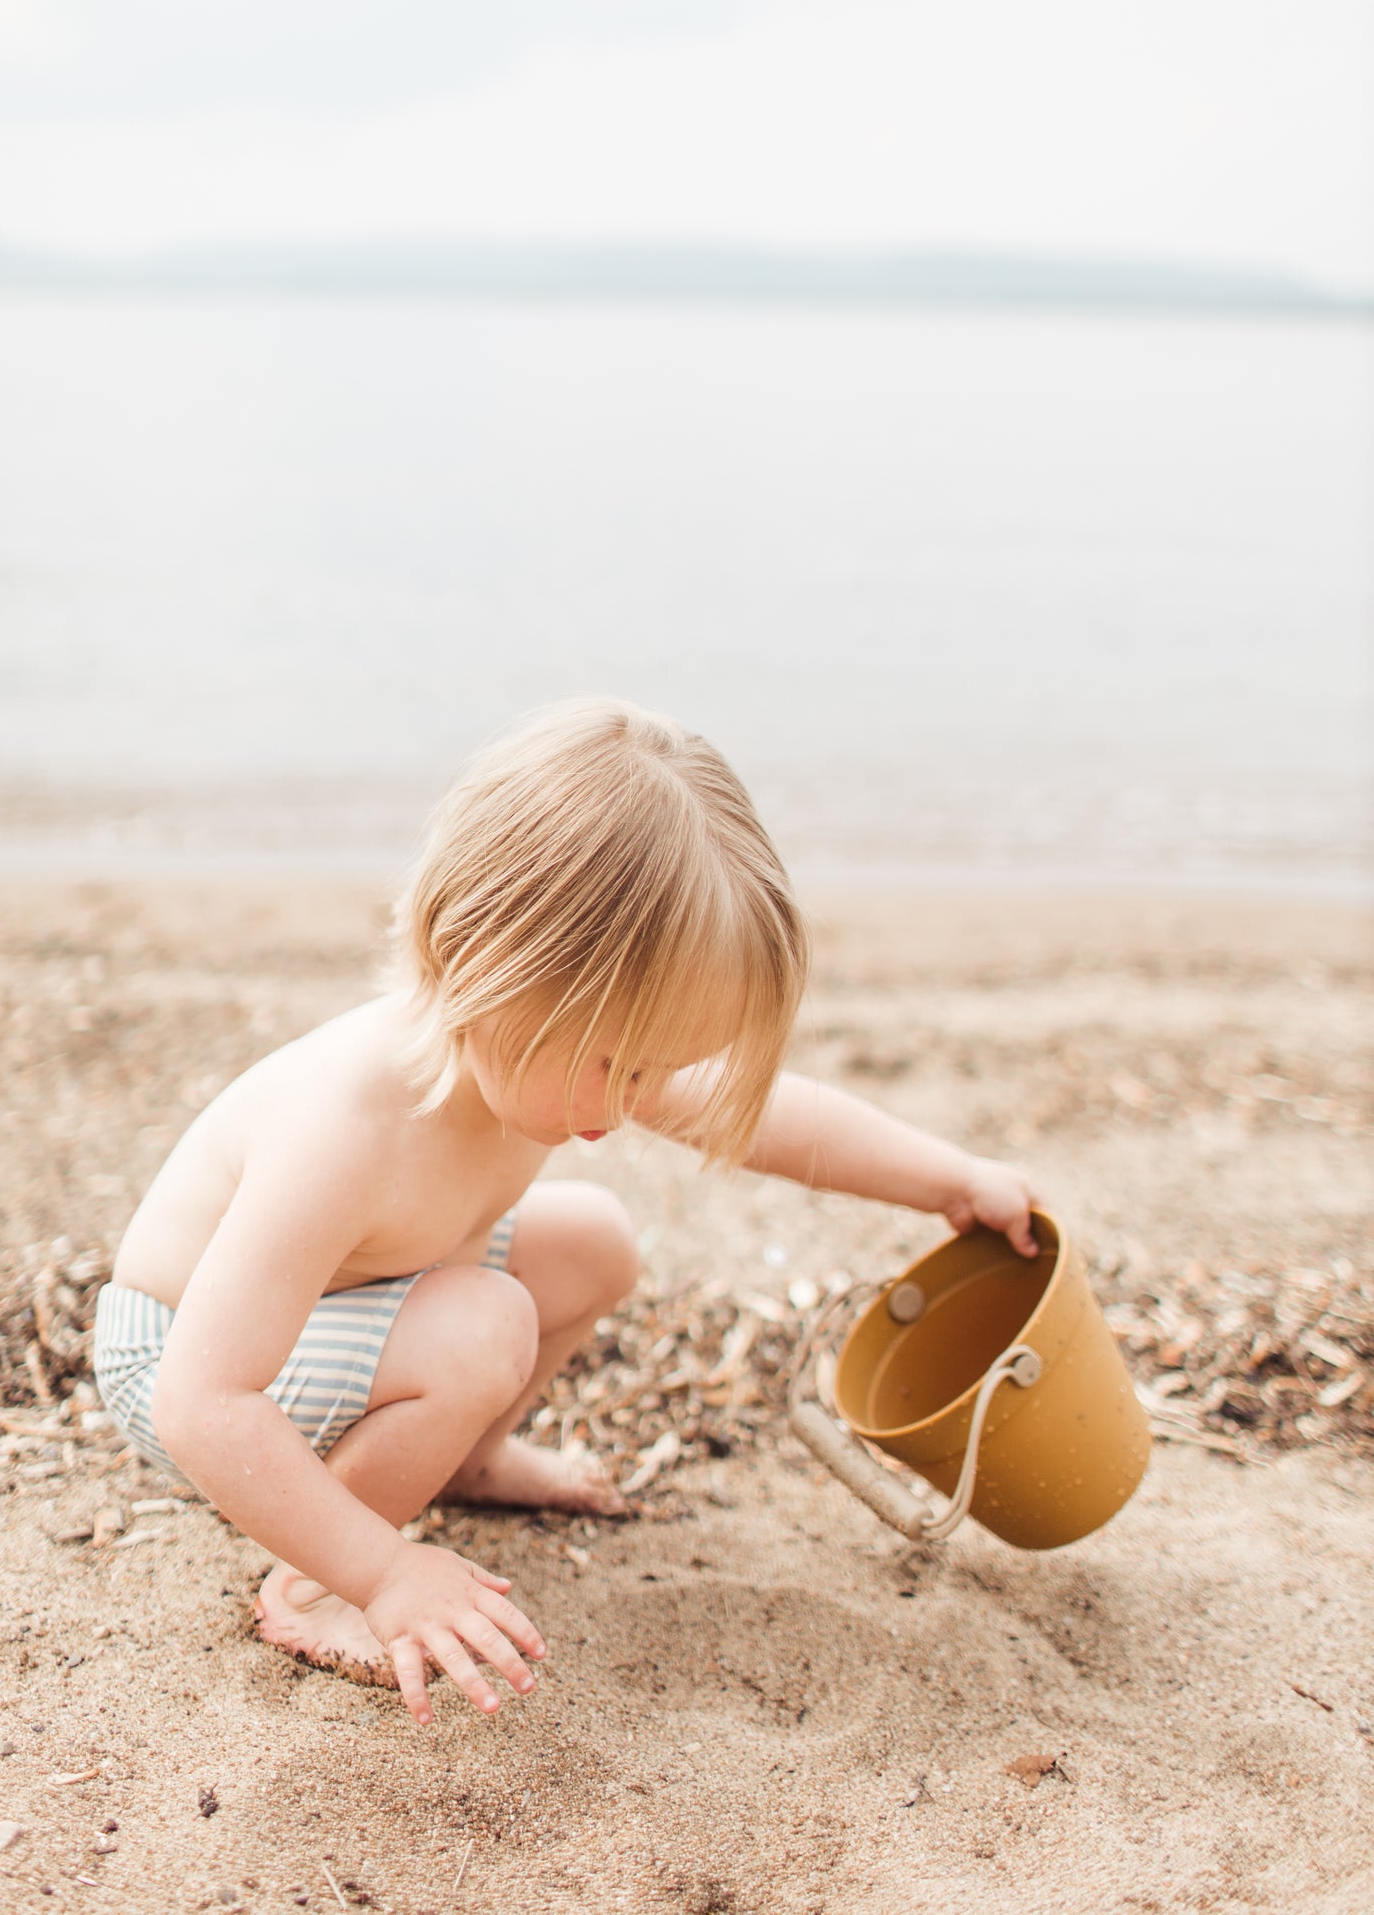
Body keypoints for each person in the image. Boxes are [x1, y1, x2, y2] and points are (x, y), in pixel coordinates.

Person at [94, 699, 1036, 1726]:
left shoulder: (542, 1047)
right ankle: (314, 1588)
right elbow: (205, 1402)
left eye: (656, 1069)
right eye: (617, 1066)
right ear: (486, 964)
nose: (636, 1101)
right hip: (183, 1356)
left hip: (344, 1308)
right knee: (483, 1327)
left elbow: (767, 1119)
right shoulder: (348, 1124)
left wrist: (949, 1179)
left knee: (594, 1241)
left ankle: (467, 1458)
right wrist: (387, 1571)